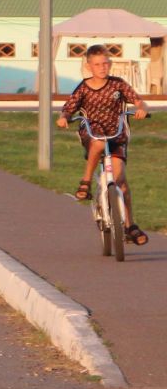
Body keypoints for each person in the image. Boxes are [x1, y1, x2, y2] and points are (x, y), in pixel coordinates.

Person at [59, 44, 150, 244]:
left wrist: (141, 108)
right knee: (99, 143)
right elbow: (69, 107)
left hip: (116, 135)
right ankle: (85, 181)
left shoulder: (118, 85)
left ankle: (129, 226)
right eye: (98, 64)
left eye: (106, 63)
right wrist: (64, 117)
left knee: (121, 182)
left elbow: (139, 101)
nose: (102, 67)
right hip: (91, 134)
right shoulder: (83, 87)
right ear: (89, 66)